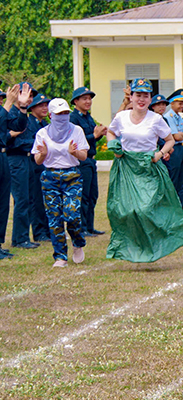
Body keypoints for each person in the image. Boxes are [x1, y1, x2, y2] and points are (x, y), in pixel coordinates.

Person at [105, 78, 183, 263]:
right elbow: (111, 132)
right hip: (126, 166)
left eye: (145, 95)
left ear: (150, 99)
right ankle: (133, 248)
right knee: (124, 211)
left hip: (148, 167)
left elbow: (170, 140)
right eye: (138, 95)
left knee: (145, 210)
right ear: (132, 97)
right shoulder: (121, 118)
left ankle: (155, 245)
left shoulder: (156, 119)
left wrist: (159, 154)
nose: (141, 99)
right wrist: (113, 146)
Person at [31, 98, 89, 268]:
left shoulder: (76, 130)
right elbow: (38, 160)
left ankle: (77, 242)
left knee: (72, 215)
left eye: (65, 113)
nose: (63, 117)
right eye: (59, 114)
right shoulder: (42, 133)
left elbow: (84, 155)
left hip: (72, 176)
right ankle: (60, 256)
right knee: (54, 219)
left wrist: (75, 152)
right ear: (51, 115)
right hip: (50, 177)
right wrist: (43, 153)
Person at [70, 86, 107, 237]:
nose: (88, 101)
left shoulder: (88, 117)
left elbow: (93, 136)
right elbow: (75, 141)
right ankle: (82, 228)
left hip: (91, 160)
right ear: (76, 101)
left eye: (89, 98)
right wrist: (94, 135)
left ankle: (90, 227)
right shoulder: (73, 118)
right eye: (84, 98)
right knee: (83, 195)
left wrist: (99, 134)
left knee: (92, 195)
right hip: (81, 161)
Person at [7, 82, 39, 250]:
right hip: (16, 158)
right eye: (25, 94)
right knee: (21, 199)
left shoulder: (24, 115)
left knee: (29, 199)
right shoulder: (11, 113)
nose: (28, 98)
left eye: (31, 95)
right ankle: (19, 239)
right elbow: (8, 137)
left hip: (27, 159)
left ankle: (24, 236)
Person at [0, 84, 31, 259]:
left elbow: (19, 125)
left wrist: (23, 107)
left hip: (3, 157)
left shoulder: (3, 110)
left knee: (3, 203)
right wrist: (8, 105)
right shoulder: (3, 110)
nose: (3, 100)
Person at [163, 90, 183, 216]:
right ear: (172, 103)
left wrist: (181, 135)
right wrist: (181, 135)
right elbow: (176, 136)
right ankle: (173, 207)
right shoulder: (168, 117)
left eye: (182, 103)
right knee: (175, 178)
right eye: (179, 104)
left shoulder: (179, 118)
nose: (182, 106)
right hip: (174, 149)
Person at [27, 93, 51, 243]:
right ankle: (38, 231)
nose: (44, 108)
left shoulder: (43, 124)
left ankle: (46, 230)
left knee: (45, 200)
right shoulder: (30, 123)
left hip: (44, 166)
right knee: (35, 200)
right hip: (33, 166)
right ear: (32, 108)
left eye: (46, 105)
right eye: (40, 105)